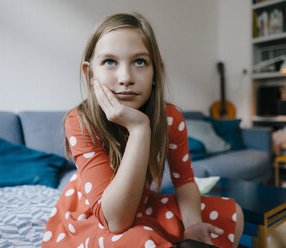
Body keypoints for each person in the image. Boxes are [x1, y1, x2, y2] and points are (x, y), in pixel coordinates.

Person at [42, 13, 243, 248]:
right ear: (90, 73)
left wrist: (192, 225)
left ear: (156, 72)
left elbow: (185, 181)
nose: (126, 78)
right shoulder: (80, 121)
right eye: (109, 62)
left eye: (139, 62)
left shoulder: (170, 118)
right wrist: (138, 129)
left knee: (232, 213)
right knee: (140, 240)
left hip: (141, 202)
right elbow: (115, 221)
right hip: (96, 214)